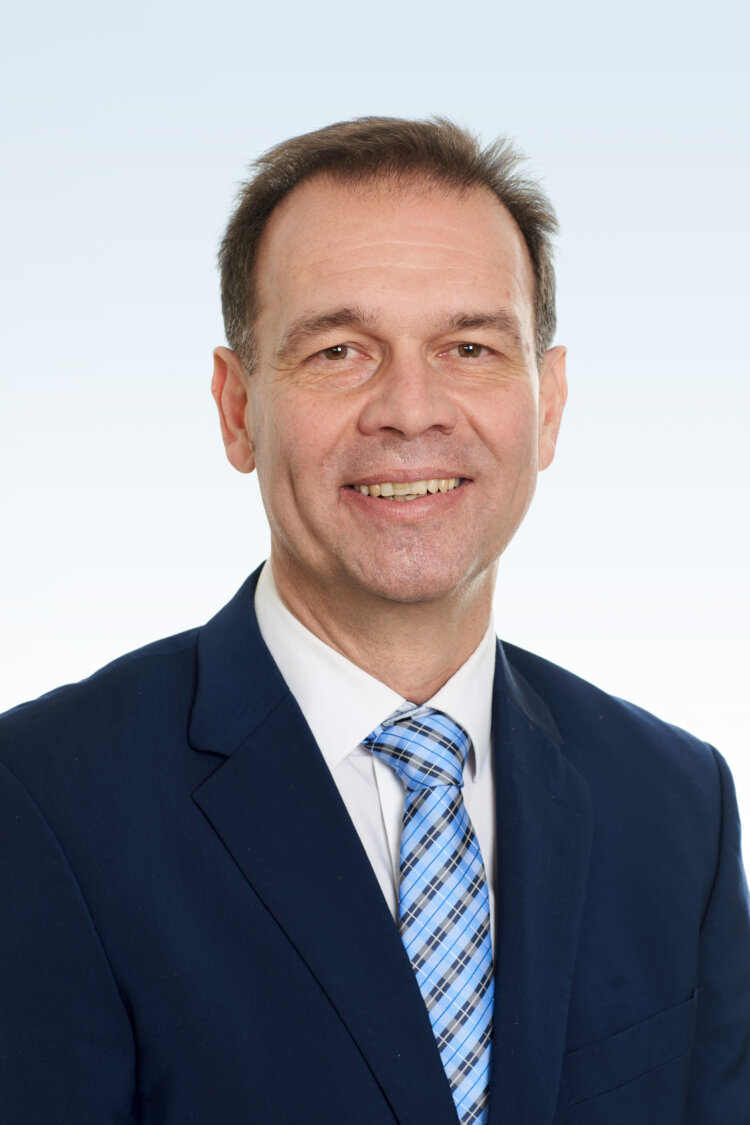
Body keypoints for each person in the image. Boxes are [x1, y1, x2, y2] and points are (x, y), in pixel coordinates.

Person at [1, 117, 748, 1125]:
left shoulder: (678, 806)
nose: (410, 408)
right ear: (237, 408)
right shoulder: (43, 800)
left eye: (470, 347)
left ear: (550, 403)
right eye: (340, 350)